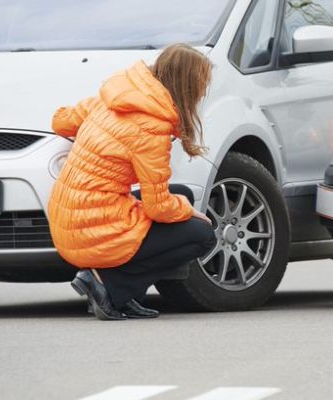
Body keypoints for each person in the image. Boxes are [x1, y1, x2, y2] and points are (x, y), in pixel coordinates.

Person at [48, 43, 217, 321]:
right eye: (201, 86)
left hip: (68, 215)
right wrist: (189, 210)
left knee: (181, 192)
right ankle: (110, 287)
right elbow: (158, 207)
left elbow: (60, 121)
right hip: (92, 229)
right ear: (187, 87)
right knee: (202, 234)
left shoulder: (115, 96)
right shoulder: (152, 127)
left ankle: (123, 294)